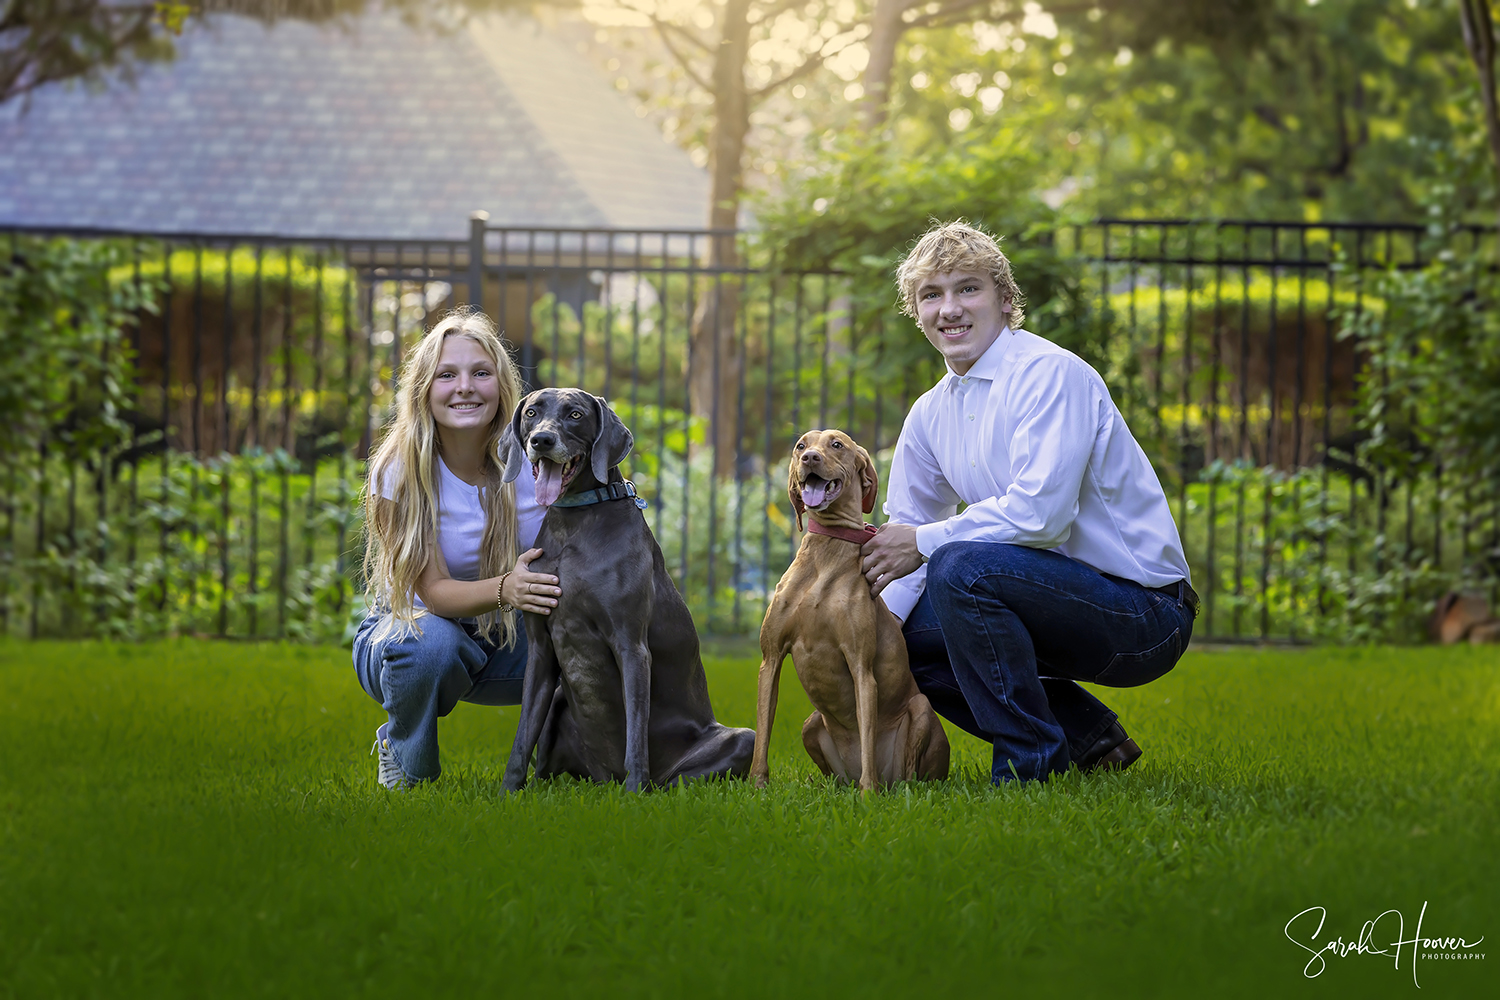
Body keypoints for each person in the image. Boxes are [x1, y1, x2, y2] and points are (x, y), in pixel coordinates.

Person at [860, 221, 1198, 784]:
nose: (950, 309)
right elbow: (908, 529)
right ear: (916, 311)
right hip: (1042, 600)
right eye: (931, 294)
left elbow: (1040, 516)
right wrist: (877, 632)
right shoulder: (928, 412)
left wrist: (922, 543)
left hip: (1142, 614)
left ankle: (1027, 768)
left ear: (1004, 298)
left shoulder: (1048, 374)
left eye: (968, 288)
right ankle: (1091, 743)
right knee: (901, 641)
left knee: (961, 566)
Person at [353, 308, 561, 789]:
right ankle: (407, 764)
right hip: (414, 636)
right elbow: (437, 593)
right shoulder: (401, 470)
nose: (464, 387)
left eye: (480, 373)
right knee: (430, 647)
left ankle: (573, 763)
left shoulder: (540, 461)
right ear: (425, 388)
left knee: (597, 644)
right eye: (447, 375)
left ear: (502, 386)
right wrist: (509, 587)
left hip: (507, 638)